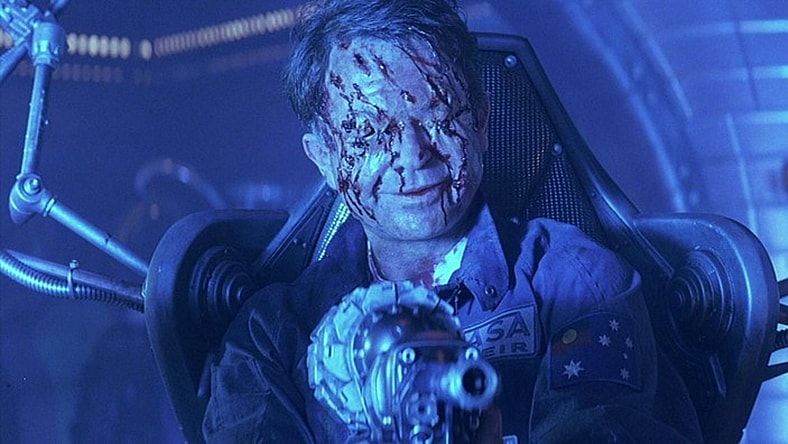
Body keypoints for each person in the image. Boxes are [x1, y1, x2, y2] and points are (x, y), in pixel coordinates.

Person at [202, 0, 703, 442]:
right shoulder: (272, 335)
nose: (413, 154)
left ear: (481, 124)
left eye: (438, 117)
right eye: (368, 132)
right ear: (326, 160)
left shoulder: (579, 286)